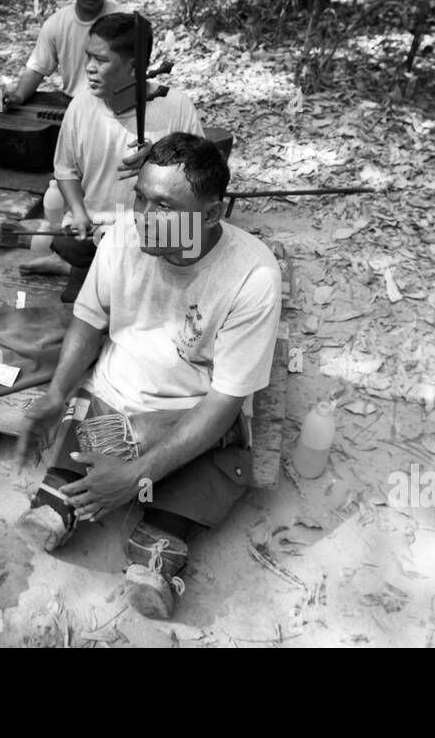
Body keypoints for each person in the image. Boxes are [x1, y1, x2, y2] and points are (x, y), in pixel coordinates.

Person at [14, 133, 282, 620]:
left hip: (191, 410)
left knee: (184, 462)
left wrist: (137, 474)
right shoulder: (124, 236)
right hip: (113, 395)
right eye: (139, 197)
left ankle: (155, 540)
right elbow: (89, 318)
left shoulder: (253, 276)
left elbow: (224, 400)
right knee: (93, 437)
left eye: (162, 205)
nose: (142, 216)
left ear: (212, 215)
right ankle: (76, 497)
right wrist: (55, 395)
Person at [23, 12, 203, 302]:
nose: (89, 70)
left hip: (151, 234)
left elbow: (200, 181)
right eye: (88, 57)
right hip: (98, 232)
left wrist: (158, 160)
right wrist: (79, 213)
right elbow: (65, 171)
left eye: (101, 61)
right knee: (70, 274)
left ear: (134, 68)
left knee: (164, 284)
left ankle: (107, 276)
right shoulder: (81, 105)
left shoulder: (175, 107)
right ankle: (81, 267)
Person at [3, 0, 120, 105]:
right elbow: (37, 69)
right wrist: (19, 96)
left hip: (113, 105)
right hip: (71, 104)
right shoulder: (56, 24)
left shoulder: (123, 20)